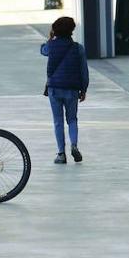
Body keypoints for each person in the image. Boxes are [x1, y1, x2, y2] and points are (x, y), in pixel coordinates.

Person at [41, 16, 89, 164]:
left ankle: (61, 154)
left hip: (54, 89)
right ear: (72, 30)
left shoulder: (51, 46)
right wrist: (83, 89)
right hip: (72, 90)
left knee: (58, 121)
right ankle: (74, 144)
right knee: (72, 119)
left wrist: (50, 37)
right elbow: (84, 72)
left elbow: (43, 50)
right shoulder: (78, 48)